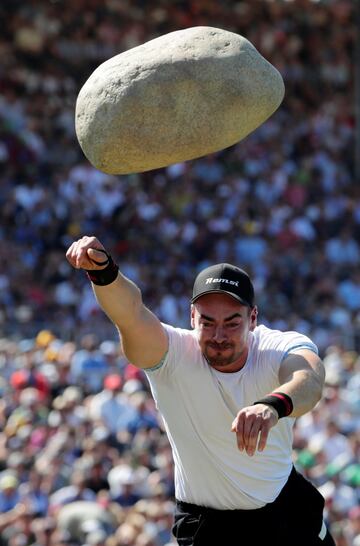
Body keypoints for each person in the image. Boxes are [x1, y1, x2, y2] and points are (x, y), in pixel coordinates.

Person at [66, 235, 335, 546]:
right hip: (209, 527)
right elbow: (131, 314)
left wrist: (272, 406)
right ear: (191, 317)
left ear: (253, 318)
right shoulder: (172, 355)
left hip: (285, 513)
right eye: (207, 322)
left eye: (232, 323)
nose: (219, 335)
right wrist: (105, 273)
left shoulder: (277, 346)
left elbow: (310, 379)